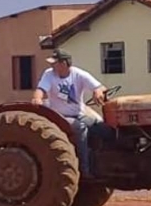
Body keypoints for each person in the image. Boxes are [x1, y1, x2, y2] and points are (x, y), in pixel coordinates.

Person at [32, 49, 107, 178]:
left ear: (64, 63)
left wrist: (98, 92)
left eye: (55, 63)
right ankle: (84, 170)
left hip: (78, 114)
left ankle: (103, 165)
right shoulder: (49, 74)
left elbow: (99, 87)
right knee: (80, 128)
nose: (52, 66)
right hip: (59, 116)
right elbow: (41, 89)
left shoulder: (79, 74)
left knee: (102, 128)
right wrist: (37, 98)